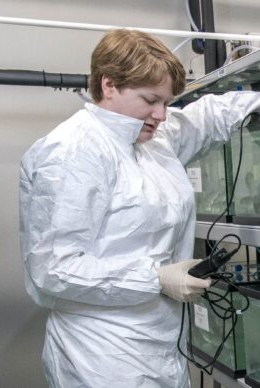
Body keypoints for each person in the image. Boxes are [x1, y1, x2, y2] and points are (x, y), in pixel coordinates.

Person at [19, 29, 260, 388]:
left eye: (166, 102)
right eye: (151, 99)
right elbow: (54, 268)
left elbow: (208, 116)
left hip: (160, 343)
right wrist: (156, 279)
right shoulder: (71, 153)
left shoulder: (149, 138)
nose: (161, 114)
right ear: (109, 85)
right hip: (101, 354)